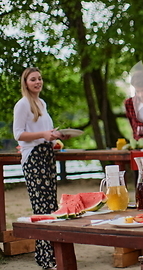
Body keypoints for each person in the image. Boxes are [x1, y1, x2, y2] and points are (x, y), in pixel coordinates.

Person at [13, 67, 68, 270]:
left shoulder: (41, 103)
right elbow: (18, 134)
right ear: (26, 83)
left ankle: (50, 256)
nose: (38, 82)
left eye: (40, 78)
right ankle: (46, 261)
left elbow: (43, 131)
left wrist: (55, 136)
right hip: (34, 159)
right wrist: (43, 135)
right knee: (41, 209)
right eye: (33, 79)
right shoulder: (22, 105)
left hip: (47, 155)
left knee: (51, 207)